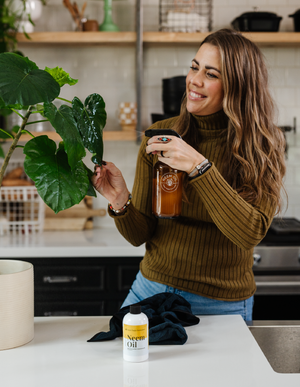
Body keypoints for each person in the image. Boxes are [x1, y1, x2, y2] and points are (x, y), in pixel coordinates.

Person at [92, 28, 286, 321]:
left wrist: (199, 166)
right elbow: (139, 234)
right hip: (150, 291)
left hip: (222, 304)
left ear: (237, 86)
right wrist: (120, 200)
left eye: (211, 74)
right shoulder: (162, 137)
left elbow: (249, 233)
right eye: (195, 67)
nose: (194, 80)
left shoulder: (262, 145)